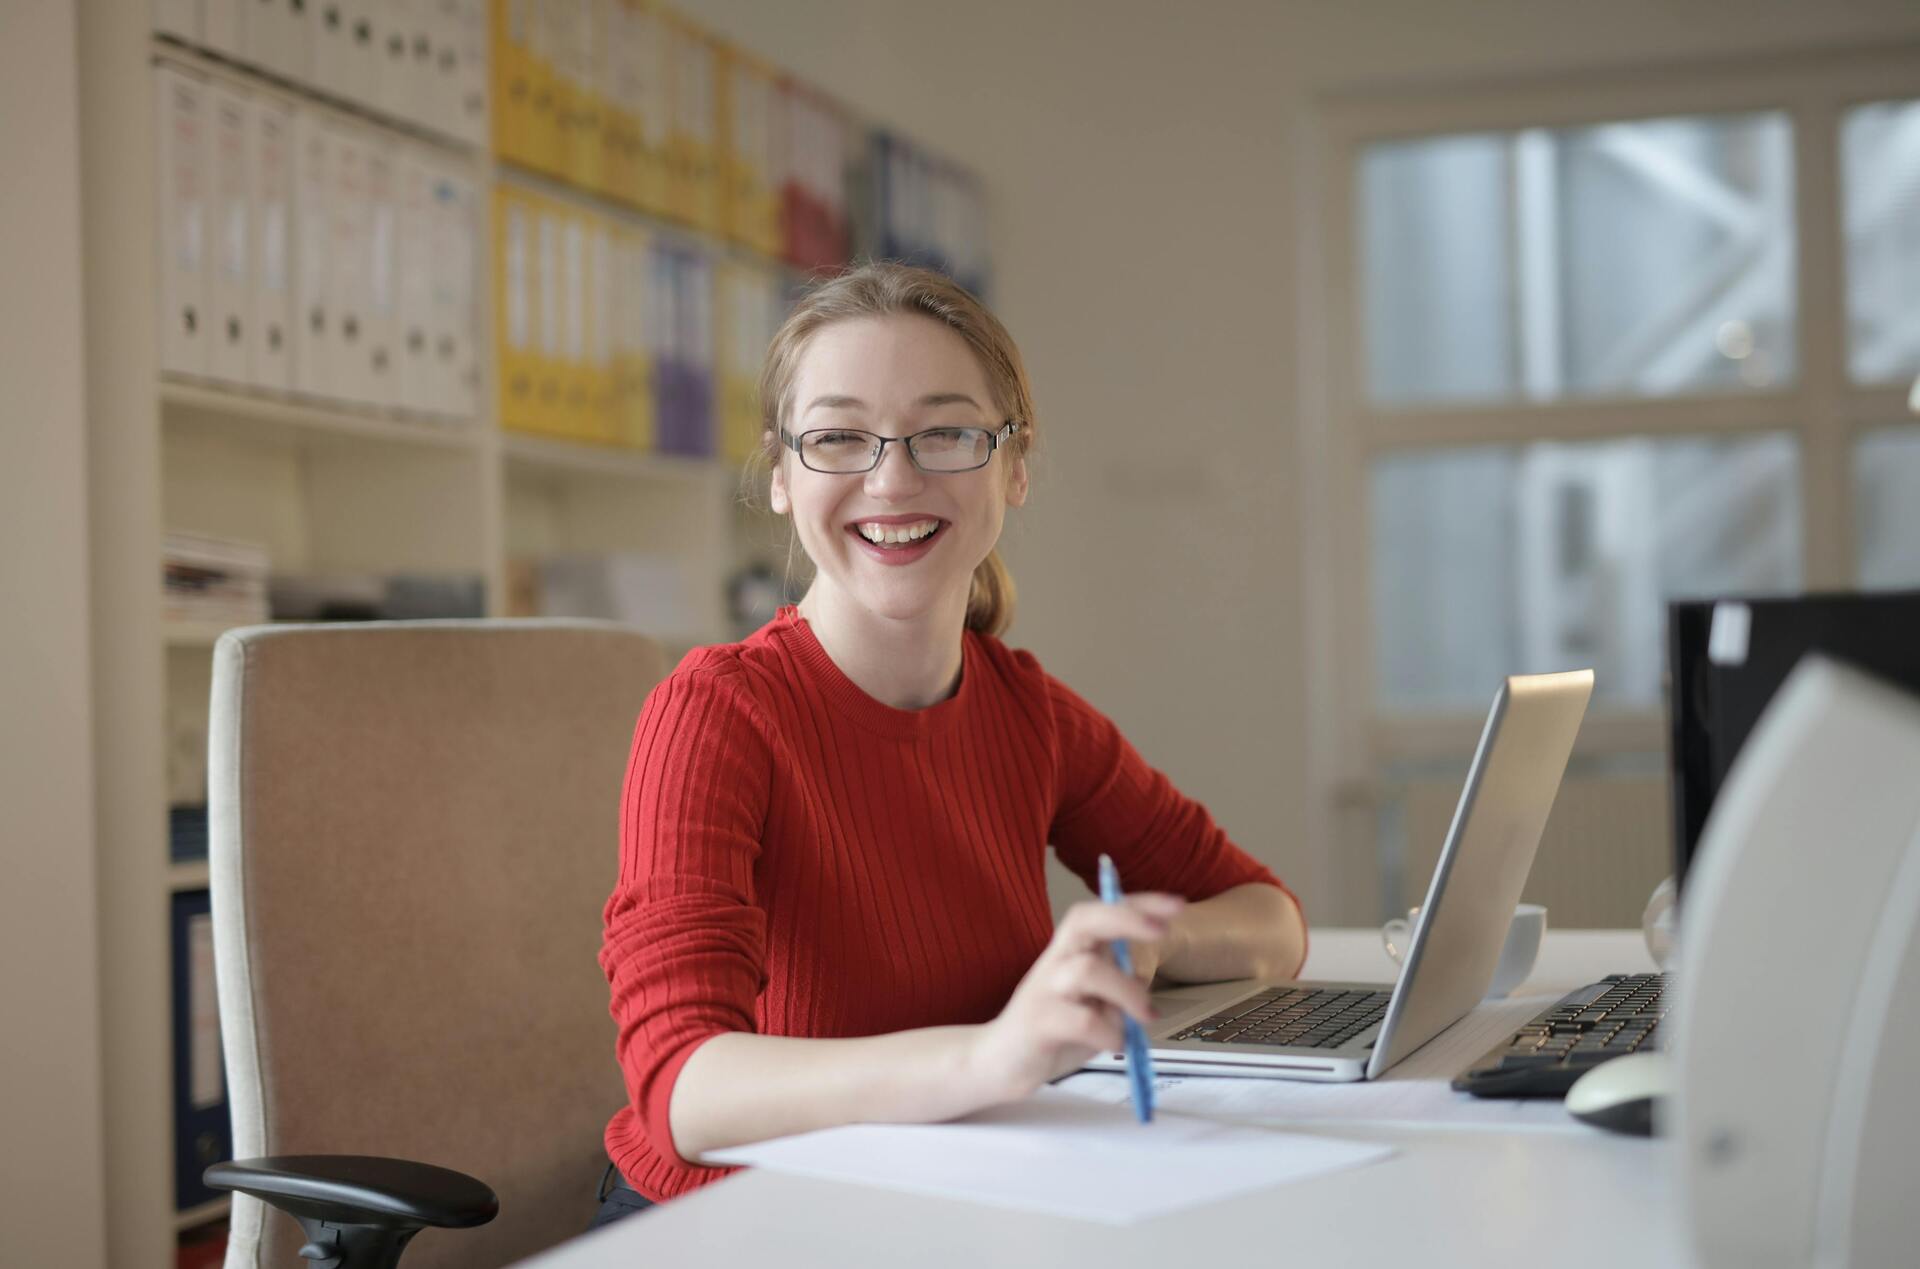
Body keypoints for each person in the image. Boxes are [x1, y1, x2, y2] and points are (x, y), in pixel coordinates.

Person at [592, 262, 1308, 1226]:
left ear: (1013, 466)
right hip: (737, 1222)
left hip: (944, 1197)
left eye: (945, 433)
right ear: (779, 475)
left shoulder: (1027, 711)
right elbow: (684, 1092)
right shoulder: (717, 713)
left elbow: (1272, 920)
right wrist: (993, 1056)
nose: (892, 477)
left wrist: (1145, 943)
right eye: (839, 437)